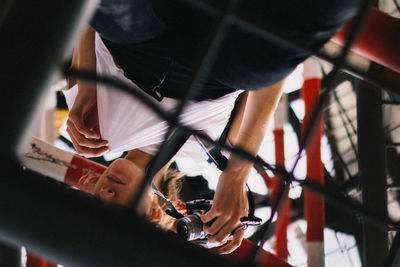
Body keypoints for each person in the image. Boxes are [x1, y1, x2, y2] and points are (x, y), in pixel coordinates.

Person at [66, 0, 360, 254]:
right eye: (118, 211)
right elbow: (271, 80)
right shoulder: (214, 148)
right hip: (215, 69)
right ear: (155, 212)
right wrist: (237, 171)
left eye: (95, 198)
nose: (106, 194)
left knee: (115, 17)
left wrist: (86, 81)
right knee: (260, 67)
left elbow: (87, 19)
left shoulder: (90, 127)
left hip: (135, 44)